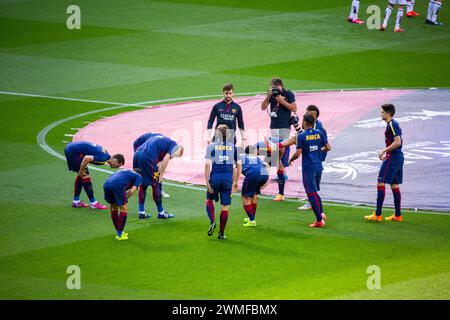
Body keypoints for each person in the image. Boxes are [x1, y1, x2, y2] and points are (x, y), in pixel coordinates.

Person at [273, 114, 331, 227]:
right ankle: (321, 213)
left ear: (304, 122)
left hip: (308, 168)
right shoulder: (320, 133)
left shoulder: (302, 136)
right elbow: (328, 147)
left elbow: (298, 153)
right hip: (318, 166)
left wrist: (291, 160)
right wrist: (318, 151)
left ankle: (319, 220)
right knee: (314, 191)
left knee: (311, 193)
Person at [365, 104, 404, 222]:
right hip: (396, 157)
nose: (380, 114)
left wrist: (384, 151)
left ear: (388, 113)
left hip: (393, 157)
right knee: (394, 184)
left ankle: (378, 214)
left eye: (382, 112)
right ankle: (398, 215)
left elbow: (398, 142)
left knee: (380, 182)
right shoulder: (392, 124)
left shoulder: (392, 124)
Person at [261, 77, 297, 202]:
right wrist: (268, 96)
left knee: (280, 154)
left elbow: (294, 108)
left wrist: (280, 100)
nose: (274, 90)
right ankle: (279, 173)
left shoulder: (288, 94)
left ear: (280, 86)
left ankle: (282, 173)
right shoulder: (271, 95)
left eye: (275, 88)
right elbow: (263, 107)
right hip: (273, 128)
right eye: (272, 88)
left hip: (284, 128)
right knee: (273, 155)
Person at [133, 134, 184, 219]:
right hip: (147, 157)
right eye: (176, 155)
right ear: (178, 150)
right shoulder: (174, 144)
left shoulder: (161, 140)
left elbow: (159, 163)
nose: (173, 157)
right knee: (156, 184)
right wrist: (161, 175)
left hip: (137, 155)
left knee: (143, 184)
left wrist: (158, 172)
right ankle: (161, 212)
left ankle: (141, 211)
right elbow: (166, 159)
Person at [205, 124, 242, 240]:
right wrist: (235, 182)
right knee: (225, 207)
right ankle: (221, 233)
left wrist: (207, 182)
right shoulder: (234, 147)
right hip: (227, 180)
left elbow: (207, 165)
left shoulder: (211, 147)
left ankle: (212, 222)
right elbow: (238, 166)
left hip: (215, 178)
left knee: (209, 200)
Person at [64, 141, 124, 210]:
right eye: (117, 165)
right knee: (85, 176)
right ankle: (93, 203)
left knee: (82, 176)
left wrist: (81, 170)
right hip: (74, 151)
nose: (115, 167)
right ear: (115, 161)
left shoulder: (106, 155)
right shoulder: (104, 159)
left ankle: (76, 201)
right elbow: (87, 158)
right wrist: (81, 170)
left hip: (71, 148)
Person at [299, 105, 329, 211]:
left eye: (311, 115)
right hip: (314, 158)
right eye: (308, 114)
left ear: (316, 116)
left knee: (312, 182)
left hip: (315, 158)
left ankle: (312, 203)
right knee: (313, 182)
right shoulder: (313, 126)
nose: (309, 116)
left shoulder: (318, 128)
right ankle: (312, 202)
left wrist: (317, 151)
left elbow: (324, 145)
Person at [103, 168, 143, 241]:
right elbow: (131, 191)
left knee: (113, 207)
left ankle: (119, 231)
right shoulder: (139, 176)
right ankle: (120, 235)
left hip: (106, 184)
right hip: (117, 185)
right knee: (123, 208)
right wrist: (124, 199)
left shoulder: (123, 171)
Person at [133, 132, 170, 201]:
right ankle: (135, 185)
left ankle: (159, 189)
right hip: (139, 147)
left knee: (155, 168)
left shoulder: (161, 141)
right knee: (140, 169)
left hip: (144, 148)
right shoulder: (159, 141)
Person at [240, 145, 270, 227]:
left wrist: (234, 182)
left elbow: (236, 168)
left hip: (253, 174)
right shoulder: (257, 158)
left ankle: (252, 220)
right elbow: (266, 165)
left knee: (245, 197)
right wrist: (266, 180)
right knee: (254, 194)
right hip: (264, 174)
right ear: (253, 152)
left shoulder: (241, 156)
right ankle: (251, 218)